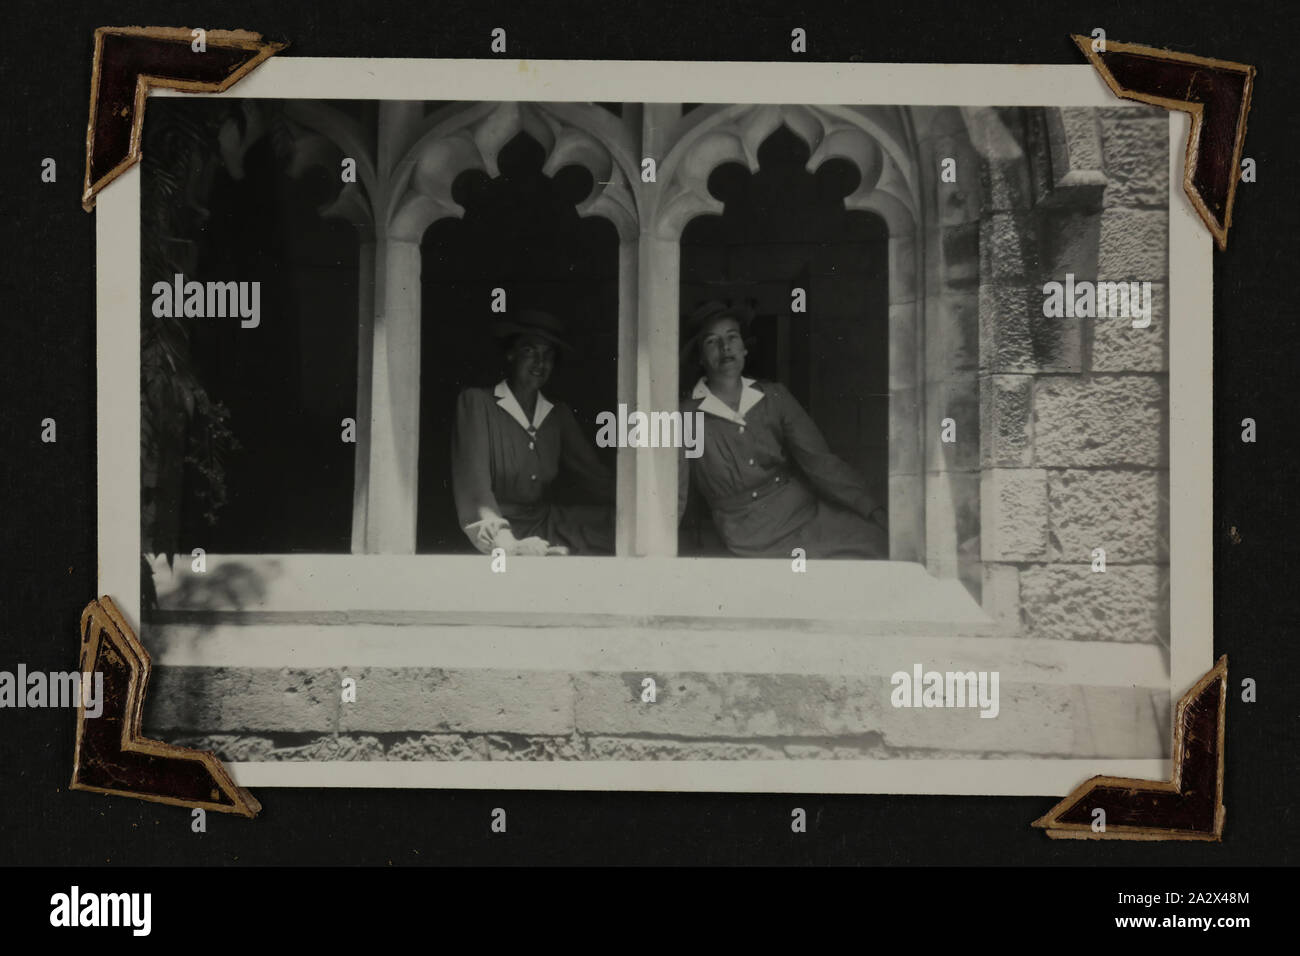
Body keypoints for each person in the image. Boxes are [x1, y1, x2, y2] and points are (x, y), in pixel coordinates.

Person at [678, 300, 889, 559]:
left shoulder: (774, 396)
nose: (725, 347)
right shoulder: (685, 415)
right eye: (712, 341)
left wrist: (871, 508)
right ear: (700, 356)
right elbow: (674, 488)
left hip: (805, 511)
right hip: (749, 534)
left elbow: (820, 462)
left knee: (876, 543)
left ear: (744, 348)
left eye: (732, 337)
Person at [451, 310, 614, 556]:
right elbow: (475, 492)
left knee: (620, 526)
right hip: (497, 527)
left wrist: (643, 503)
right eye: (530, 351)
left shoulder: (557, 414)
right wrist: (507, 543)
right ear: (511, 354)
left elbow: (596, 478)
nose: (540, 362)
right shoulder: (477, 403)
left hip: (542, 522)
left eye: (548, 355)